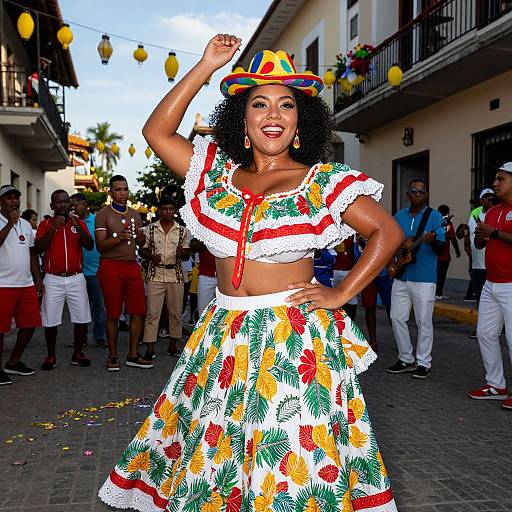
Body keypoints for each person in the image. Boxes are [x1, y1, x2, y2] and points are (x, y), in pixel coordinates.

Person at [98, 37, 402, 512]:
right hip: (225, 333)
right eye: (259, 104)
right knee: (220, 452)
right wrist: (204, 66)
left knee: (290, 459)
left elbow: (386, 231)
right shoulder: (215, 176)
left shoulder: (321, 182)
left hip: (290, 340)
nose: (273, 113)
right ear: (243, 123)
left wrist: (341, 292)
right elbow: (157, 132)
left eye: (286, 104)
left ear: (301, 123)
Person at [387, 179, 445, 379]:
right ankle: (405, 358)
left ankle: (424, 362)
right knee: (396, 317)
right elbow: (390, 242)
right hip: (401, 275)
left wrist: (432, 240)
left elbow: (441, 248)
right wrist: (398, 250)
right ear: (408, 194)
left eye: (421, 191)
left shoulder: (436, 217)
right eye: (414, 191)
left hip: (424, 278)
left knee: (423, 321)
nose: (417, 194)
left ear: (426, 194)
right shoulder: (399, 216)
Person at [95, 175, 153, 372]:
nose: (123, 193)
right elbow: (101, 246)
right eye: (118, 189)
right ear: (110, 193)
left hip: (131, 266)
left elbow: (139, 243)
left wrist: (142, 239)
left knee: (138, 311)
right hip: (110, 266)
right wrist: (119, 237)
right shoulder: (103, 214)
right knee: (113, 313)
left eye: (125, 189)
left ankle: (133, 354)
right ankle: (113, 355)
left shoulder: (135, 214)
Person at [468, 163, 512, 410]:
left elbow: (497, 236)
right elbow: (481, 243)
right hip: (491, 283)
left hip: (511, 284)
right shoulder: (492, 211)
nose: (495, 183)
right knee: (485, 333)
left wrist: (493, 233)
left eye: (501, 179)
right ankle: (496, 385)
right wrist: (480, 235)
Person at [35, 190, 93, 370]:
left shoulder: (78, 222)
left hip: (76, 277)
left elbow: (89, 245)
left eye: (65, 202)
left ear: (70, 204)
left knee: (81, 318)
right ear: (52, 206)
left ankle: (77, 353)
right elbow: (38, 248)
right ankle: (51, 356)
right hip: (53, 278)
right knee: (50, 319)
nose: (63, 205)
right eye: (58, 202)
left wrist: (79, 226)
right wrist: (53, 228)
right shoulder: (45, 224)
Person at [0, 185, 42, 385]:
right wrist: (9, 223)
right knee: (0, 329)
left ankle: (13, 361)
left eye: (16, 197)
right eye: (9, 198)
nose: (14, 201)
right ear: (1, 201)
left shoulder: (26, 224)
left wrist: (38, 278)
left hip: (25, 283)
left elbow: (32, 253)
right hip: (3, 284)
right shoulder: (4, 221)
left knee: (31, 323)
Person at [140, 196, 190, 359]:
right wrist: (150, 256)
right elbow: (142, 251)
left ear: (175, 211)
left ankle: (173, 345)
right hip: (155, 274)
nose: (168, 211)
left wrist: (184, 254)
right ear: (159, 210)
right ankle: (150, 347)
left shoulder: (182, 230)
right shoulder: (150, 229)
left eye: (171, 209)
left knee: (175, 312)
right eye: (165, 209)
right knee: (152, 312)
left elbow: (186, 255)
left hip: (175, 275)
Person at [70, 193, 106, 347]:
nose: (72, 208)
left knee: (99, 307)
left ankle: (99, 337)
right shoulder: (70, 222)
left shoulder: (96, 220)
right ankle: (81, 338)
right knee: (80, 308)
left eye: (75, 205)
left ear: (84, 204)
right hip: (77, 273)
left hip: (96, 272)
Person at [355, 235, 393, 353]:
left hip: (383, 275)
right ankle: (373, 341)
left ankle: (399, 338)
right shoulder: (358, 236)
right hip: (368, 277)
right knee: (369, 308)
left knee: (390, 307)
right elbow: (356, 256)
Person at [435, 204, 460, 299]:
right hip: (444, 255)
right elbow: (453, 238)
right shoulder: (447, 224)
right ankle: (438, 294)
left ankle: (436, 293)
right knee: (441, 275)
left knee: (436, 274)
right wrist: (457, 250)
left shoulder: (435, 222)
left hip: (435, 255)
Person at [332, 236, 358, 320]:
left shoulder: (352, 232)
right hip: (333, 271)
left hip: (349, 270)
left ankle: (351, 324)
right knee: (333, 300)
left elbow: (355, 251)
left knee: (351, 301)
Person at [191, 240, 217, 315]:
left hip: (226, 275)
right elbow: (193, 248)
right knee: (203, 311)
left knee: (226, 310)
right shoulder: (204, 228)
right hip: (206, 275)